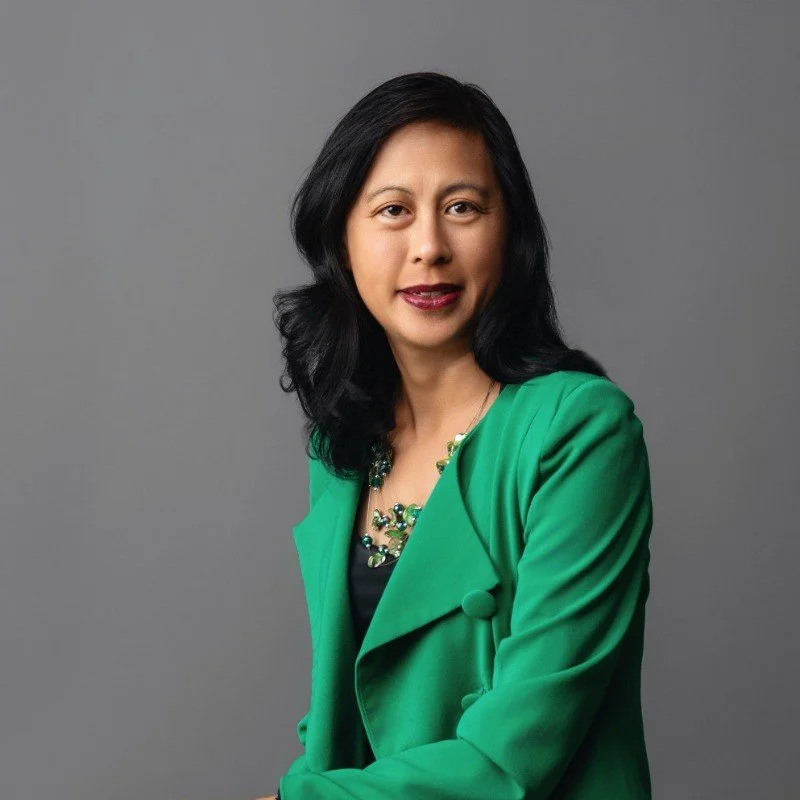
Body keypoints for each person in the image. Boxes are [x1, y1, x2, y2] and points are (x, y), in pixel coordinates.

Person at [260, 71, 653, 799]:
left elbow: (513, 759)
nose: (430, 247)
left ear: (512, 233)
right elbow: (339, 717)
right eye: (393, 211)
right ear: (343, 241)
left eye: (463, 207)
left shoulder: (579, 431)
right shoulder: (344, 450)